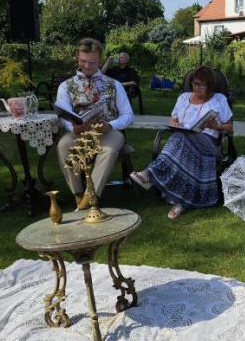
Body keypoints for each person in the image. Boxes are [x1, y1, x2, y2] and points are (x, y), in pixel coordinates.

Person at [129, 66, 233, 219]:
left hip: (208, 144)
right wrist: (175, 125)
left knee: (180, 138)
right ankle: (180, 202)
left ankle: (149, 175)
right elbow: (173, 119)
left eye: (201, 85)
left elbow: (230, 127)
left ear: (209, 85)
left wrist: (217, 126)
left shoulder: (219, 100)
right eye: (194, 84)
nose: (196, 88)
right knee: (180, 137)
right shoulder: (184, 98)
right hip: (184, 140)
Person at [55, 37, 135, 209]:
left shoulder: (114, 85)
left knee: (108, 148)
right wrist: (72, 127)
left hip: (109, 132)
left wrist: (111, 125)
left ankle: (90, 198)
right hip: (80, 133)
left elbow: (128, 115)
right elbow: (63, 116)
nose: (88, 66)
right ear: (77, 57)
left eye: (93, 62)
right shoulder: (65, 86)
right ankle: (77, 194)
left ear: (100, 60)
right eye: (83, 61)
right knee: (63, 145)